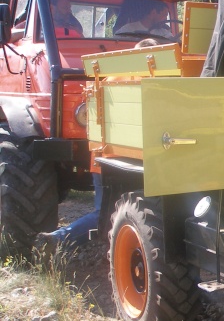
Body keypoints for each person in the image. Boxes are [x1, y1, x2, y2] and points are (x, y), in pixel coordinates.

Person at [34, 38, 159, 258]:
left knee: (112, 213)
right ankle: (59, 240)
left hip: (101, 160)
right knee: (111, 214)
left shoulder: (108, 79)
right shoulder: (148, 81)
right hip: (127, 161)